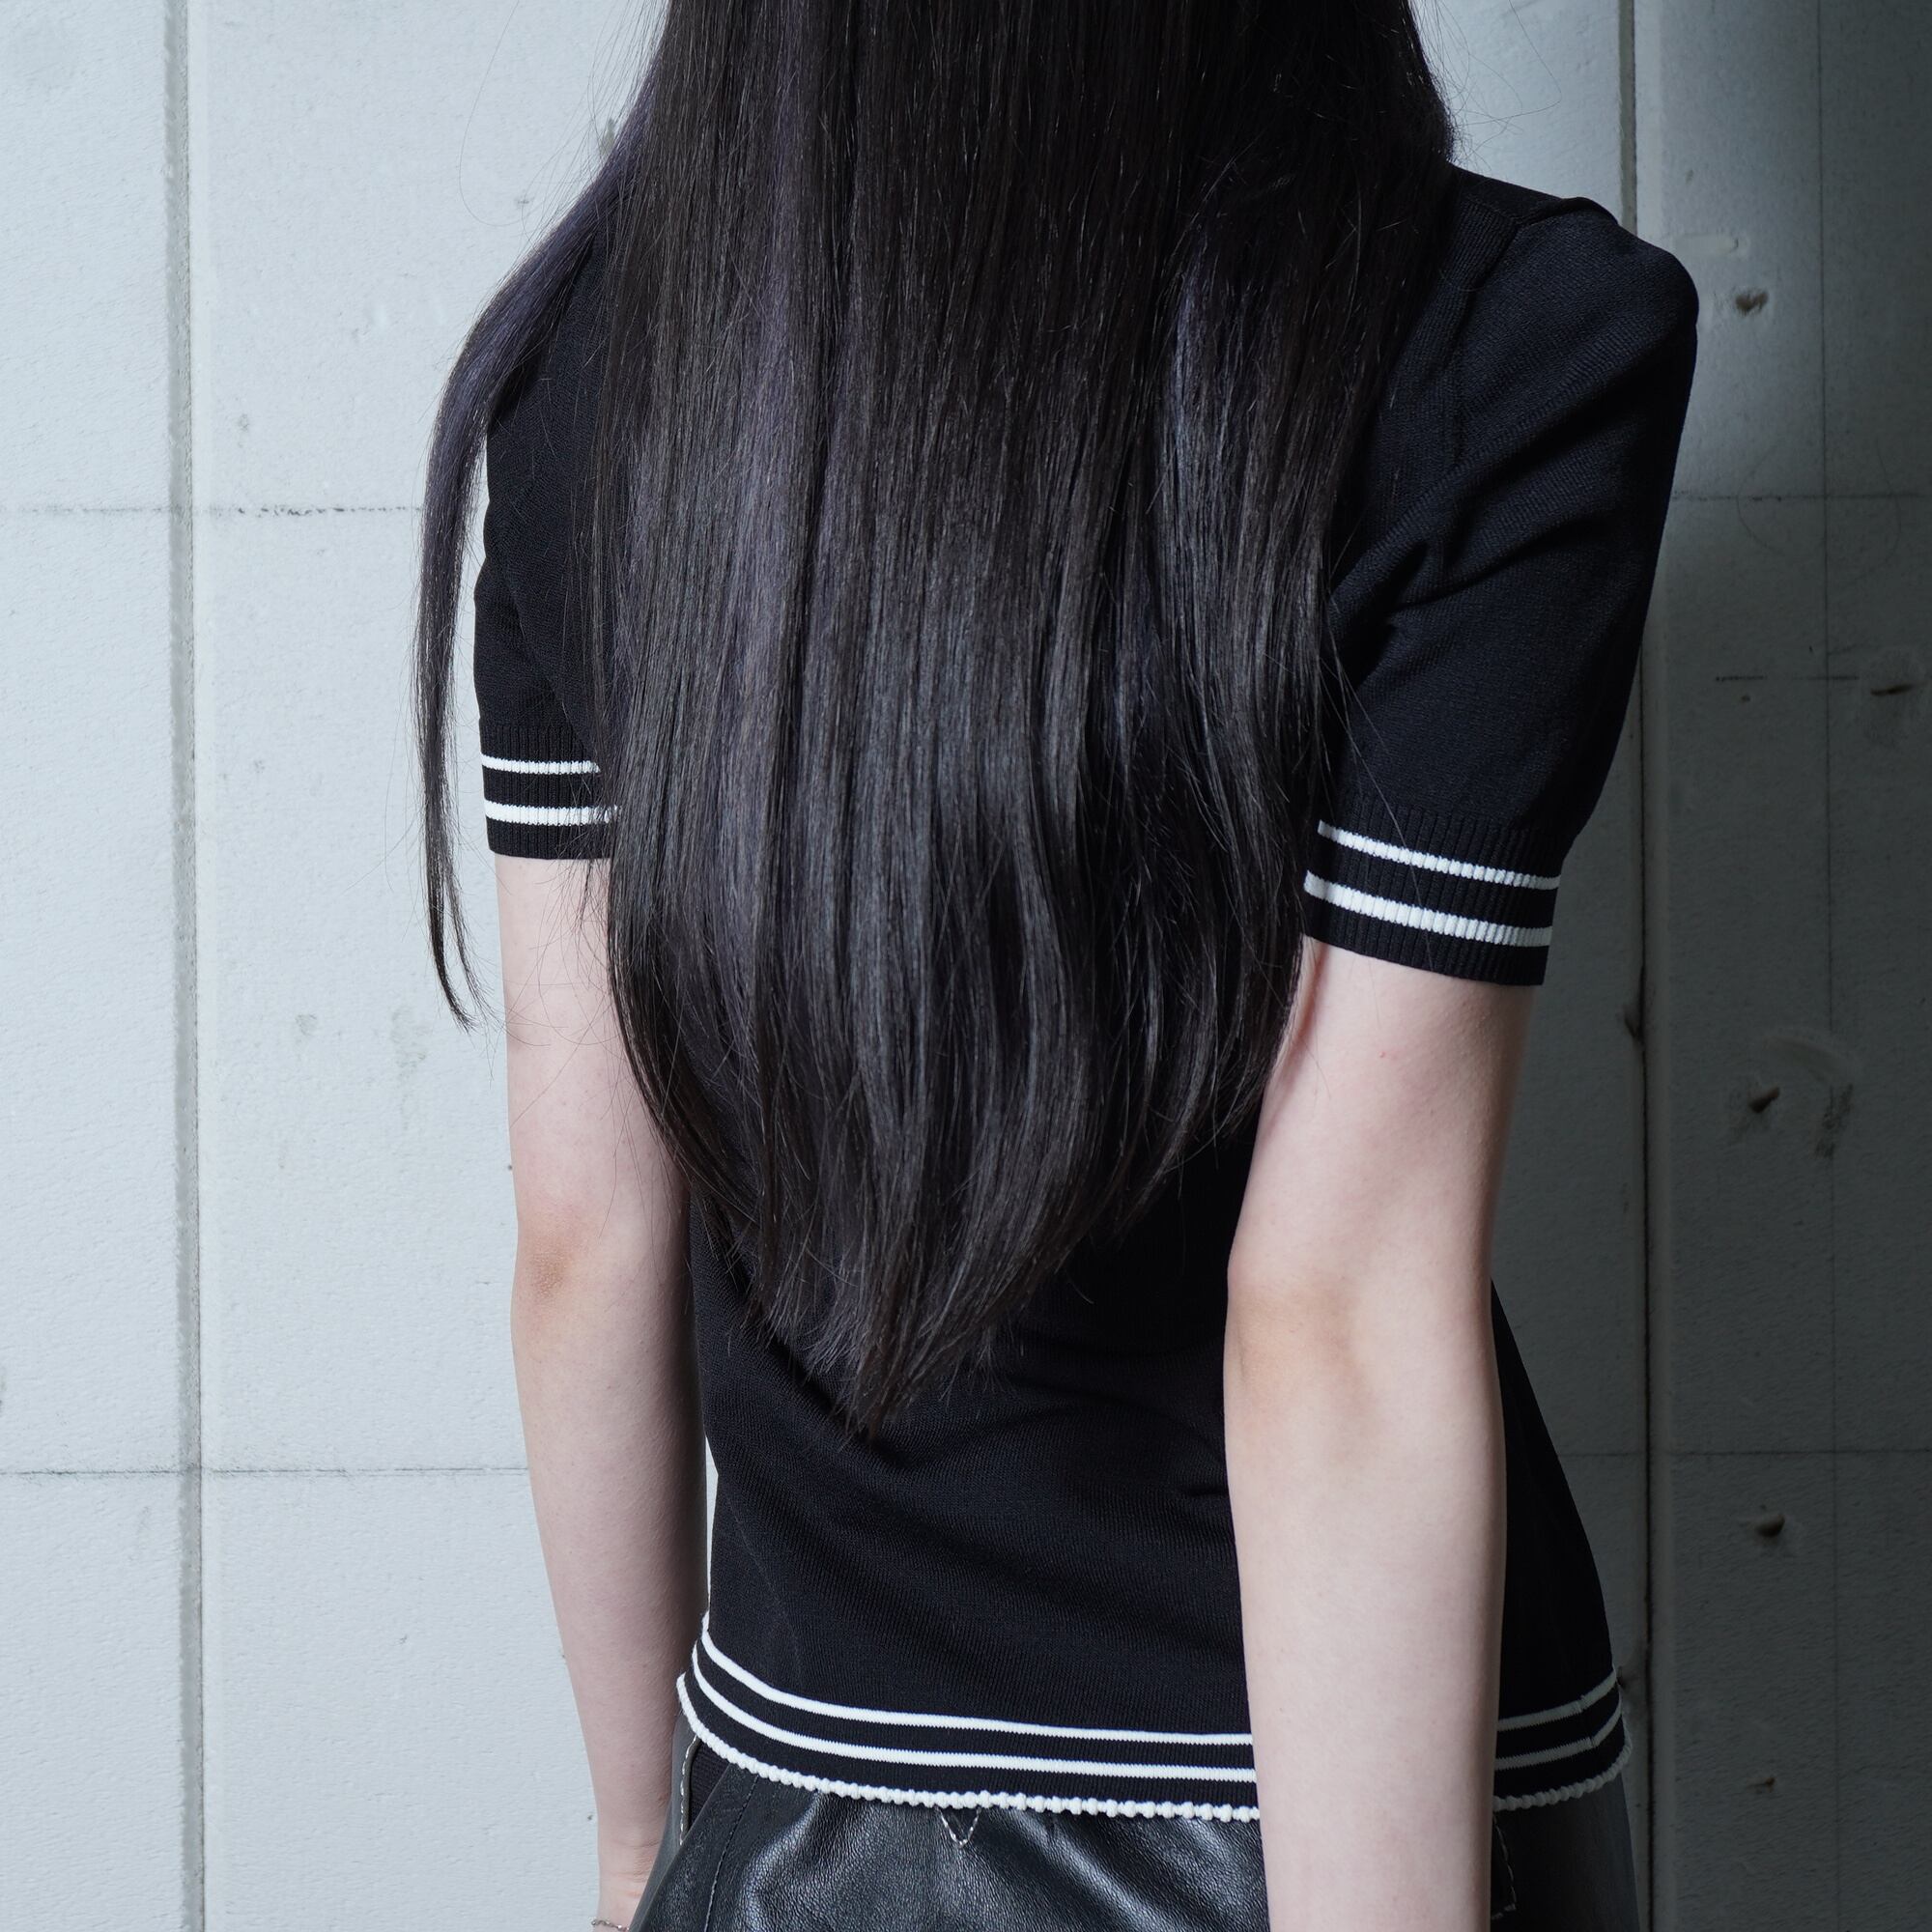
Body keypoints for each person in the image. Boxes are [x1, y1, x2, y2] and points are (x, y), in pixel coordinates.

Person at [412, 5, 1698, 1927]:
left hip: (812, 1791)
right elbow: (1335, 1313)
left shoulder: (599, 359)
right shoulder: (1499, 337)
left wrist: (632, 1850)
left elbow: (589, 1239)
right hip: (1354, 1799)